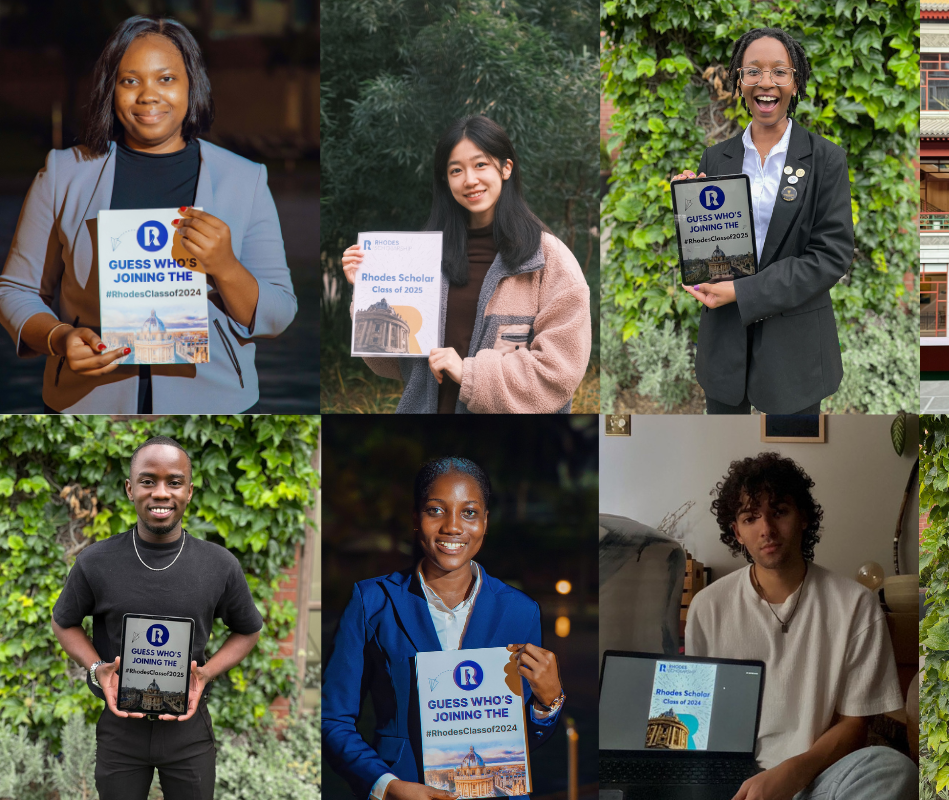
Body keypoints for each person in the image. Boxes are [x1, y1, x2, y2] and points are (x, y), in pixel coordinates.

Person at [0, 16, 297, 413]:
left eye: (166, 79)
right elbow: (16, 291)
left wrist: (225, 266)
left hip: (214, 405)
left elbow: (279, 313)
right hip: (85, 404)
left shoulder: (244, 179)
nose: (148, 95)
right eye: (130, 80)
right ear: (111, 89)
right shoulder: (62, 174)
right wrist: (58, 337)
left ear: (192, 85)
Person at [322, 457, 565, 799]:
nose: (453, 527)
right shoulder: (371, 602)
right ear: (415, 518)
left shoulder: (520, 611)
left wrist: (548, 701)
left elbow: (518, 740)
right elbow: (332, 720)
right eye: (436, 510)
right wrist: (387, 786)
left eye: (469, 513)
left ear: (485, 522)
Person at [686, 453, 917, 800]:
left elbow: (854, 726)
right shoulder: (707, 607)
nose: (766, 529)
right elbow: (700, 718)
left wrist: (792, 773)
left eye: (779, 512)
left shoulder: (855, 605)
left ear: (803, 516)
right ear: (737, 531)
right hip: (736, 783)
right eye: (751, 518)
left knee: (894, 770)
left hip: (817, 777)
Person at [51, 435, 263, 798]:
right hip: (121, 730)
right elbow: (64, 621)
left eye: (174, 482)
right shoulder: (96, 561)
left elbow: (248, 630)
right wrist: (96, 667)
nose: (161, 493)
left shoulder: (219, 564)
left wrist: (206, 673)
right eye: (148, 481)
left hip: (188, 730)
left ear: (190, 491)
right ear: (130, 489)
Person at [340, 116, 591, 413]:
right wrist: (369, 293)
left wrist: (469, 374)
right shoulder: (422, 257)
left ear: (506, 168)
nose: (469, 179)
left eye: (480, 164)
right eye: (456, 170)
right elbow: (390, 363)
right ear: (446, 180)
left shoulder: (548, 260)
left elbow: (559, 373)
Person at [671, 28, 854, 415]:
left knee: (790, 456)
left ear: (795, 81)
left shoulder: (826, 160)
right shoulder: (715, 158)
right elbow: (706, 254)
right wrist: (688, 209)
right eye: (753, 71)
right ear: (739, 82)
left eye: (779, 72)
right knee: (726, 454)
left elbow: (831, 257)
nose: (765, 82)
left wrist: (743, 293)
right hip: (725, 346)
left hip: (796, 353)